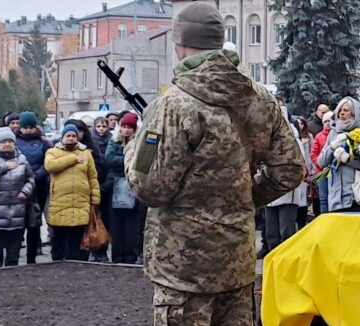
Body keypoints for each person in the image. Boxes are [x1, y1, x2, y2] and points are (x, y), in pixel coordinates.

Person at [127, 4, 305, 323]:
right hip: (236, 258)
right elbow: (290, 169)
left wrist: (132, 150)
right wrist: (243, 198)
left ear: (179, 42)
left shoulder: (173, 104)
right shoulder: (261, 99)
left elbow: (150, 187)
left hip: (182, 264)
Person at [0, 128, 33, 268]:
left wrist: (25, 192)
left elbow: (30, 179)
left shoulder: (22, 159)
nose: (7, 144)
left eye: (10, 141)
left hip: (17, 210)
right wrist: (3, 166)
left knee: (14, 249)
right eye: (3, 141)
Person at [42, 124, 97, 262]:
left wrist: (95, 199)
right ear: (62, 137)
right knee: (59, 233)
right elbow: (50, 166)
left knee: (78, 233)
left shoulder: (86, 153)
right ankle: (58, 259)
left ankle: (77, 260)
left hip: (81, 201)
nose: (71, 139)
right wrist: (73, 158)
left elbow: (92, 177)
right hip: (59, 201)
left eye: (73, 136)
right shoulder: (52, 152)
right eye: (68, 136)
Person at [315, 97, 360, 214]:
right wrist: (332, 147)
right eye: (340, 110)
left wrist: (347, 158)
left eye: (346, 110)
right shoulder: (333, 133)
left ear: (354, 113)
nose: (341, 113)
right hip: (335, 197)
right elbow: (321, 162)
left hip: (355, 196)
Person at [261, 115, 311, 257]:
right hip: (269, 192)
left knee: (286, 231)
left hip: (287, 191)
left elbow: (300, 166)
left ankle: (288, 261)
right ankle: (274, 261)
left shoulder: (294, 142)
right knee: (271, 233)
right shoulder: (266, 141)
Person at [97, 112, 143, 264]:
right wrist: (129, 160)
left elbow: (141, 162)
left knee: (132, 224)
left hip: (133, 186)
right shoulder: (114, 141)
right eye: (124, 126)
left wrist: (127, 161)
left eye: (130, 127)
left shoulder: (139, 142)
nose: (126, 130)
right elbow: (110, 159)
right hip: (115, 186)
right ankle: (117, 256)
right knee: (116, 223)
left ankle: (131, 255)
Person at [11, 112, 50, 265]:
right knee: (17, 221)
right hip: (16, 186)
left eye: (31, 127)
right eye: (25, 127)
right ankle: (14, 255)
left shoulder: (43, 143)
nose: (28, 130)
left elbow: (48, 162)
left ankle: (32, 255)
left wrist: (36, 175)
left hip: (38, 186)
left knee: (34, 221)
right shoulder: (13, 142)